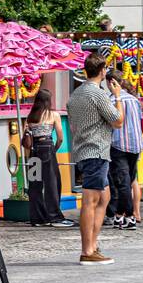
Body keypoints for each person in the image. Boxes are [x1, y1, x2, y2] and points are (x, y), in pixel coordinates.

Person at [67, 54, 125, 266]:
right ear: (102, 71)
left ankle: (93, 244)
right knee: (91, 201)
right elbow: (118, 121)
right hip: (96, 151)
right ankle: (87, 250)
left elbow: (73, 125)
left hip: (83, 150)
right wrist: (117, 96)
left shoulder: (75, 94)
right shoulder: (98, 94)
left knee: (104, 197)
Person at [23, 88, 73, 228]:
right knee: (52, 183)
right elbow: (60, 138)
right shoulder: (53, 115)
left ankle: (37, 218)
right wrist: (54, 150)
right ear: (48, 101)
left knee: (35, 184)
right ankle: (54, 216)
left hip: (33, 151)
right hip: (47, 148)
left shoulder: (30, 116)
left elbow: (26, 139)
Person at [106, 69, 143, 231]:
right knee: (127, 182)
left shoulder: (111, 100)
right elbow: (141, 121)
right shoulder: (134, 100)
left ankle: (129, 217)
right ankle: (119, 215)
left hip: (118, 144)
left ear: (110, 83)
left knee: (121, 183)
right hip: (136, 144)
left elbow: (110, 122)